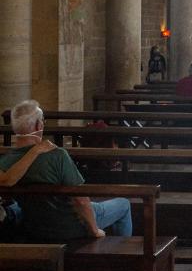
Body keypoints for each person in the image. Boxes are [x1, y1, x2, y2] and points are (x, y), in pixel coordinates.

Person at [0, 100, 132, 241]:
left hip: (35, 228)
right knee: (123, 204)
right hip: (70, 226)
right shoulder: (56, 155)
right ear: (39, 125)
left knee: (94, 205)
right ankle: (123, 257)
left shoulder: (6, 162)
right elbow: (80, 199)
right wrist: (95, 230)